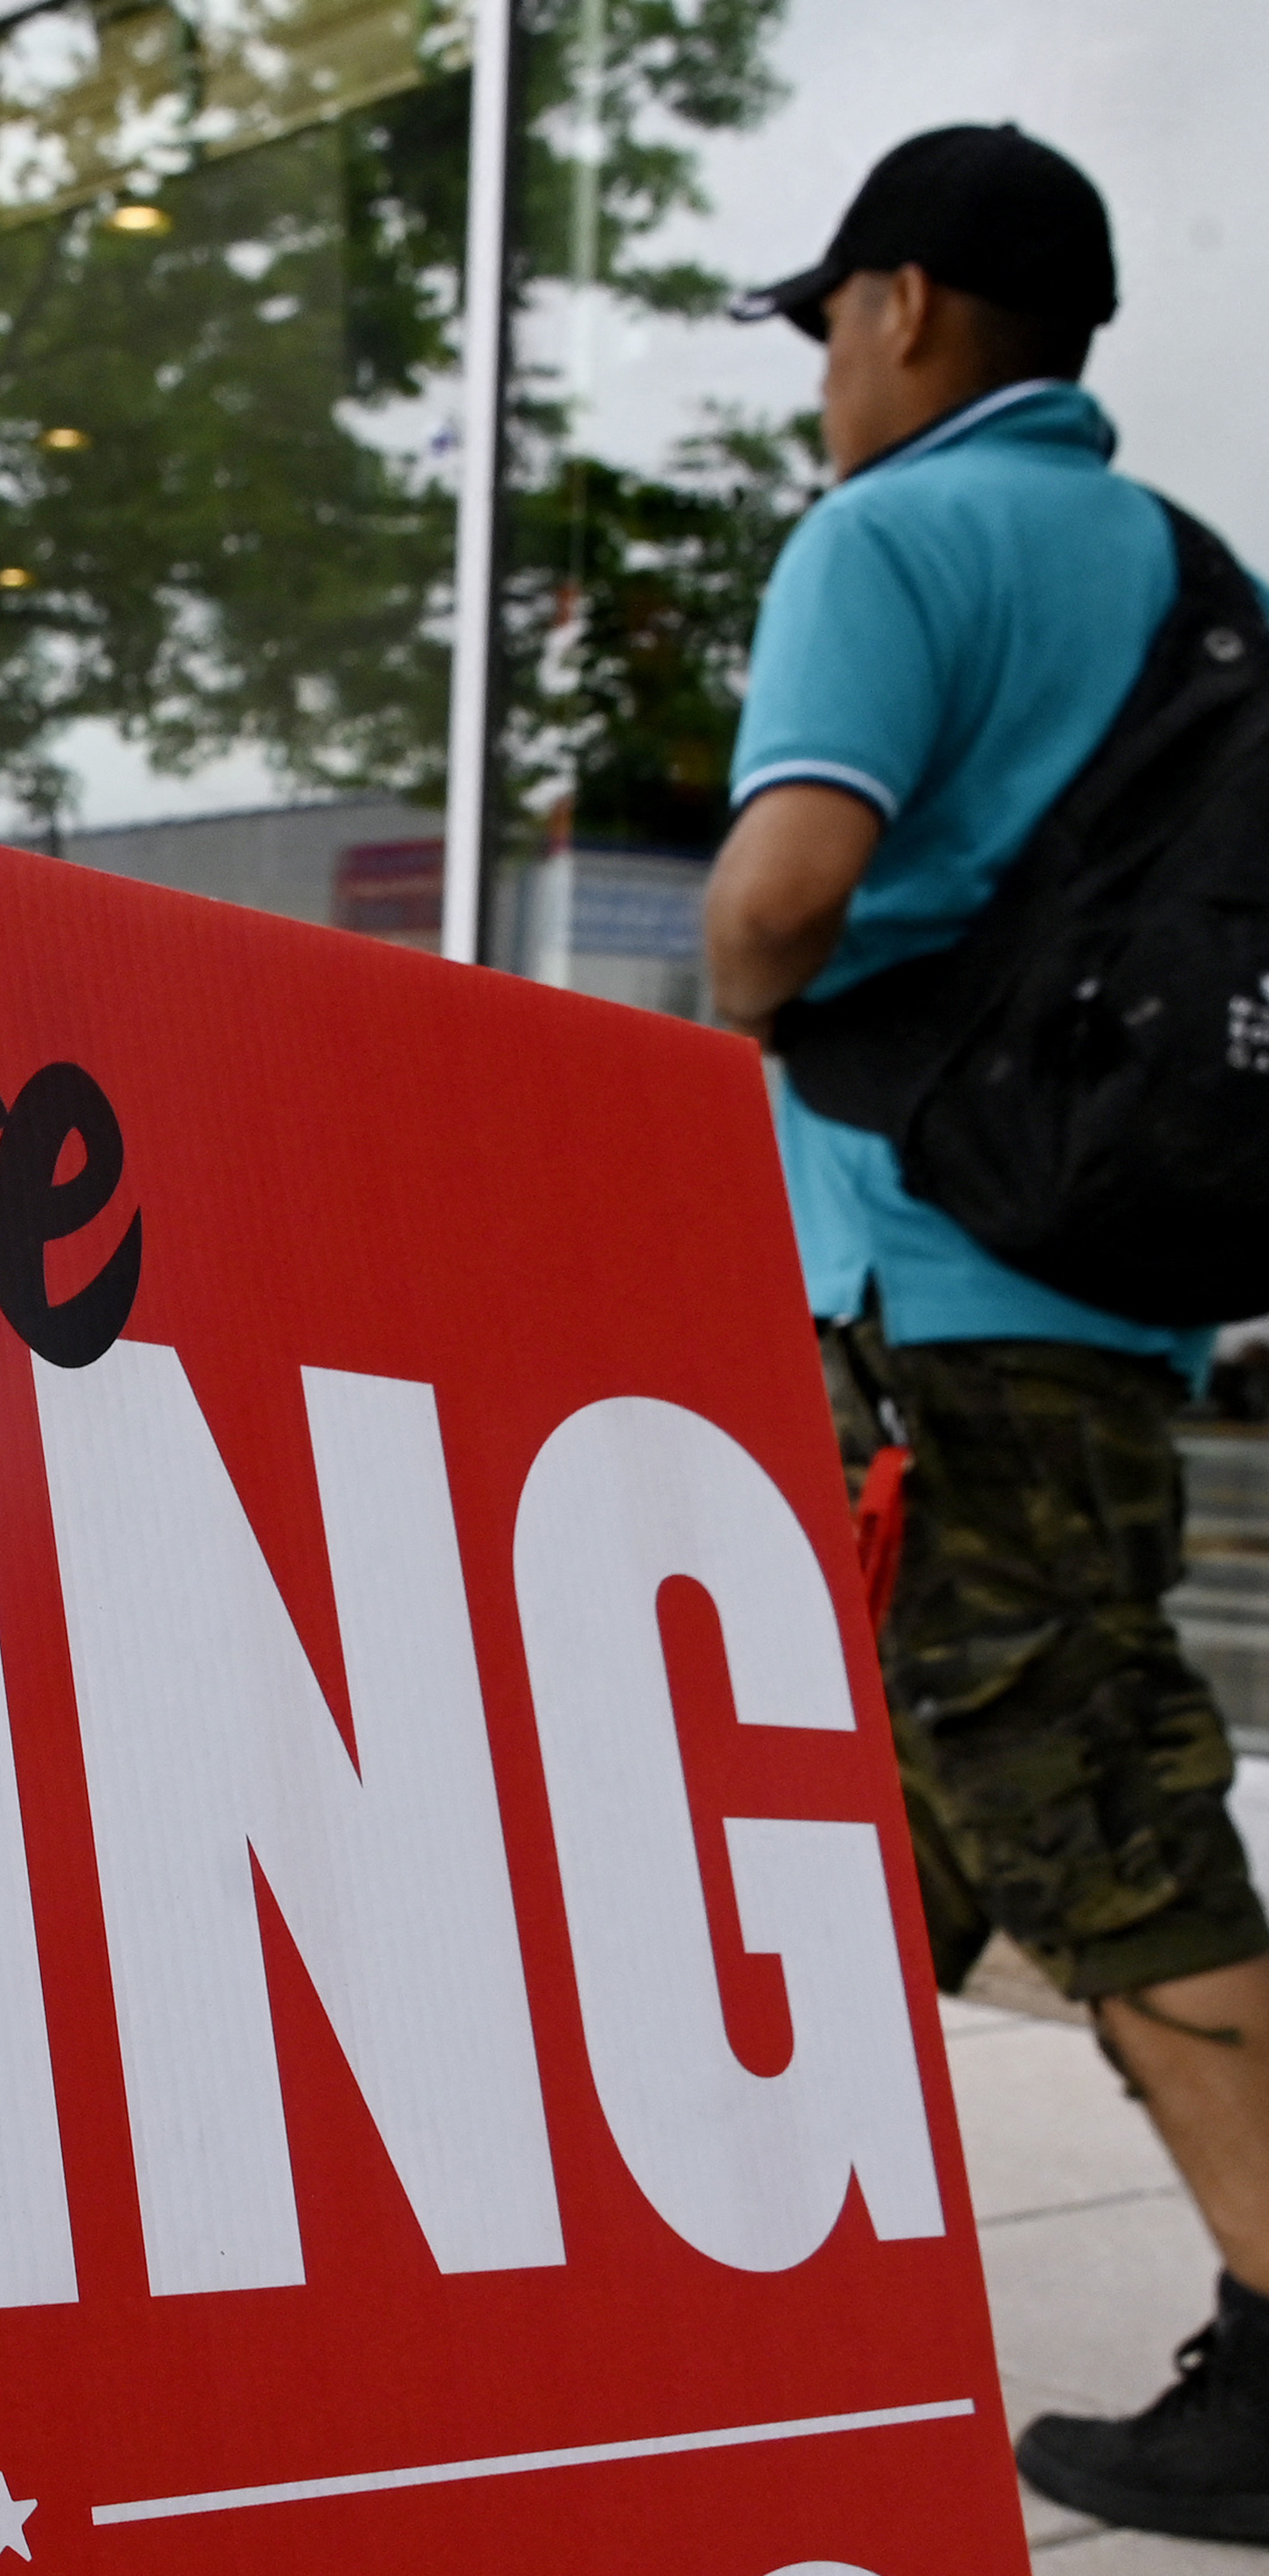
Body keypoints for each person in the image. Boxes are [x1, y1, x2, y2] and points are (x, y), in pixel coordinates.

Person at [705, 123, 1269, 2546]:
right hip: (1117, 1287)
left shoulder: (888, 539)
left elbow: (782, 899)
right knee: (899, 1804)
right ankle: (766, 2255)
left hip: (937, 1304)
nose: (830, 366)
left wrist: (711, 999)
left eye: (834, 317)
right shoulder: (1191, 576)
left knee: (1094, 1807)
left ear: (906, 309)